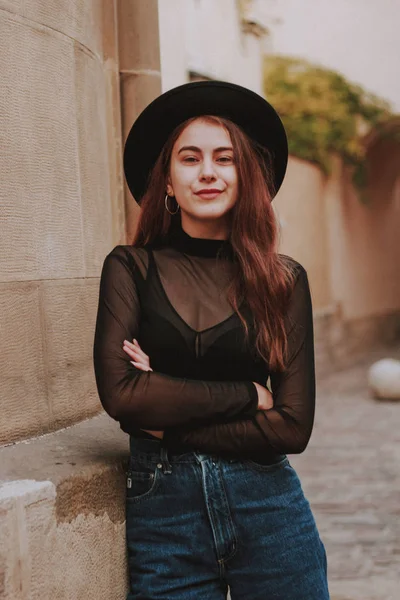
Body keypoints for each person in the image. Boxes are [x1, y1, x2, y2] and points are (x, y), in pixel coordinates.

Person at [93, 80, 330, 599]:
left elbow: (292, 427)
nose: (207, 172)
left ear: (245, 178)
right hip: (166, 516)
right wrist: (249, 395)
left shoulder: (283, 280)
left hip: (269, 507)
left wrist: (168, 420)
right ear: (169, 183)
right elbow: (123, 396)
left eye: (225, 159)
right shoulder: (131, 268)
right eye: (190, 158)